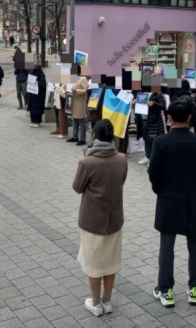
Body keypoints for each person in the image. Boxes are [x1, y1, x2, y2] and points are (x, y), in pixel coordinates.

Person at [148, 101, 196, 308]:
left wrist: (161, 190)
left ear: (169, 118)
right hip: (192, 200)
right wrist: (195, 188)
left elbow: (154, 172)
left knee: (166, 248)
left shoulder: (161, 142)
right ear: (190, 118)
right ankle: (195, 289)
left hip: (168, 200)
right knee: (195, 247)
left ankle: (166, 291)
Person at [73, 119, 128, 317]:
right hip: (114, 218)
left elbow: (78, 187)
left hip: (92, 220)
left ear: (94, 136)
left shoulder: (87, 162)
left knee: (94, 262)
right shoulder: (121, 158)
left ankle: (96, 303)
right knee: (110, 260)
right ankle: (107, 300)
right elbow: (122, 180)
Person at [138, 91, 167, 165]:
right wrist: (135, 101)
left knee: (153, 139)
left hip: (154, 121)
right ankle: (148, 156)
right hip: (144, 118)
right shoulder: (142, 93)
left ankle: (154, 159)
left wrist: (154, 104)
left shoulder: (158, 93)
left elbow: (163, 106)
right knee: (146, 138)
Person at [67, 74, 89, 146]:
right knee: (75, 120)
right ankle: (75, 136)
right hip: (73, 102)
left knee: (81, 121)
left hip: (80, 103)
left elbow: (86, 90)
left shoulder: (83, 79)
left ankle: (82, 139)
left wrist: (76, 90)